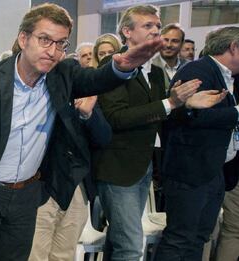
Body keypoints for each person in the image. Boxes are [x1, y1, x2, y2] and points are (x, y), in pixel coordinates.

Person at [0, 2, 167, 260]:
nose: (53, 51)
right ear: (24, 38)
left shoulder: (62, 74)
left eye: (61, 43)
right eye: (45, 40)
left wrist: (123, 67)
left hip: (27, 195)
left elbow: (95, 80)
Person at [92, 5, 217, 261]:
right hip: (118, 168)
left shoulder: (156, 71)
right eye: (147, 26)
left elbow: (162, 114)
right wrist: (170, 103)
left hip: (144, 165)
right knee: (130, 246)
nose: (155, 31)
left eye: (157, 26)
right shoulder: (113, 64)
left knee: (119, 240)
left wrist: (186, 105)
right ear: (127, 31)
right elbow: (116, 117)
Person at [155, 26, 239, 261]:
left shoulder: (228, 76)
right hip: (189, 171)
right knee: (179, 239)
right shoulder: (197, 69)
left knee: (200, 237)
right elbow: (189, 116)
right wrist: (236, 113)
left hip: (214, 170)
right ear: (233, 47)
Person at [28, 57, 112, 261]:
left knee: (64, 255)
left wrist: (88, 114)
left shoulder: (83, 95)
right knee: (34, 255)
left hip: (76, 187)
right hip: (39, 186)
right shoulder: (31, 93)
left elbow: (104, 138)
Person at [152, 23, 188, 91]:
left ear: (182, 44)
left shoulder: (190, 67)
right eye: (165, 40)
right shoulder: (149, 67)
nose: (169, 45)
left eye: (175, 41)